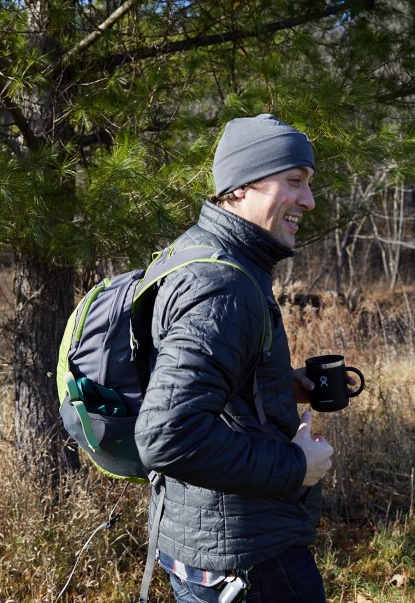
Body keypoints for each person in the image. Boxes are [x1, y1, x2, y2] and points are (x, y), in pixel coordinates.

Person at [134, 113, 335, 603]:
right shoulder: (222, 284)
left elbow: (200, 381)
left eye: (308, 184)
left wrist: (281, 383)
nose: (308, 200)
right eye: (293, 181)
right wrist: (294, 465)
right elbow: (165, 435)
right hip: (249, 560)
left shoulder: (197, 252)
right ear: (241, 187)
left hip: (206, 542)